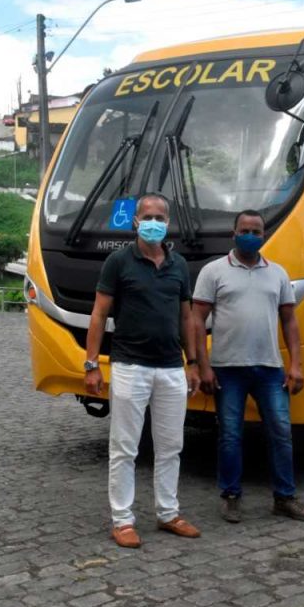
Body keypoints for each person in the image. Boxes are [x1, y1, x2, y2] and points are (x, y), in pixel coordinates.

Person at [84, 192, 202, 549]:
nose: (154, 222)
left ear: (168, 223)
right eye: (147, 216)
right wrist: (91, 364)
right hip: (129, 366)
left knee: (170, 446)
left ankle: (168, 513)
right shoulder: (119, 262)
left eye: (160, 217)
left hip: (170, 369)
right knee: (125, 447)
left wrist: (192, 362)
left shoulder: (179, 265)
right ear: (135, 222)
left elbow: (186, 317)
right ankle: (122, 520)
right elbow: (99, 314)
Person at [192, 209, 304, 524]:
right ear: (234, 234)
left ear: (263, 236)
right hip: (227, 369)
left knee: (281, 433)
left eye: (256, 231)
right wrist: (202, 366)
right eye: (245, 230)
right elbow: (196, 320)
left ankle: (284, 498)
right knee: (230, 435)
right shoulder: (213, 271)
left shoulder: (277, 273)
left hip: (269, 369)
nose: (251, 235)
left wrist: (296, 365)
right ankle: (231, 496)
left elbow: (290, 321)